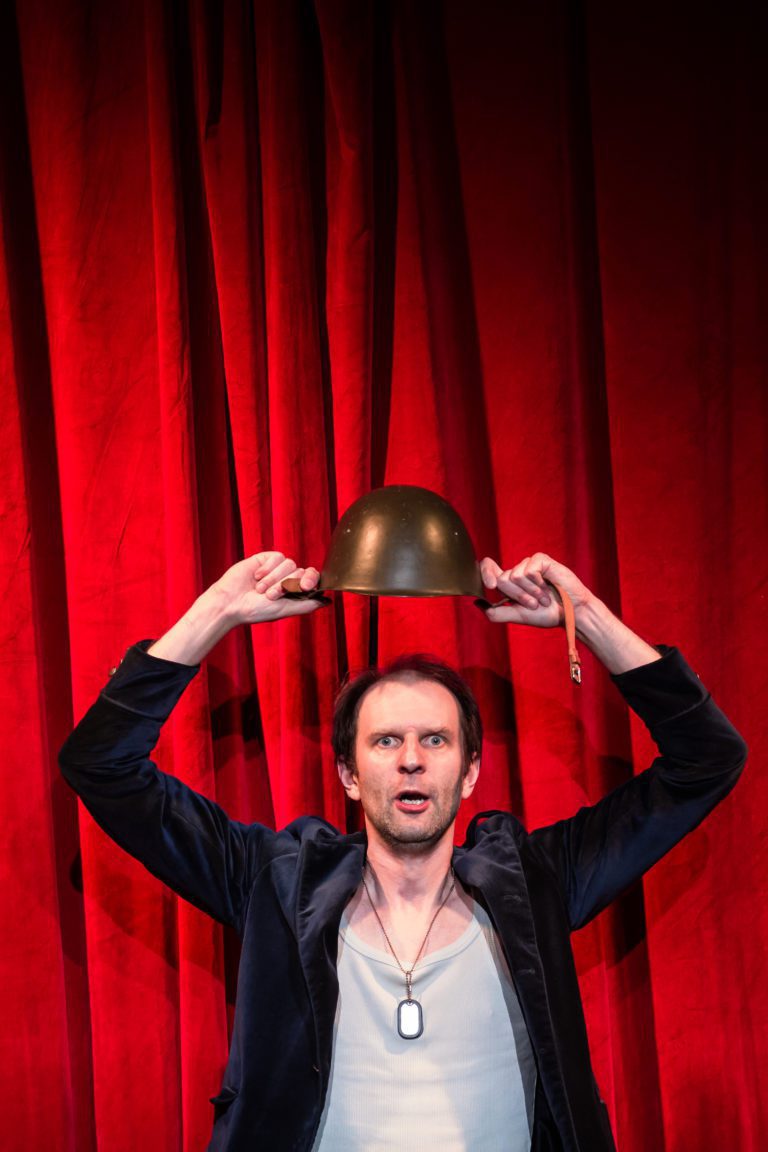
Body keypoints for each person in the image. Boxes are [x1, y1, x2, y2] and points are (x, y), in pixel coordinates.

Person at [59, 550, 746, 1152]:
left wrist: (585, 616)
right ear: (349, 774)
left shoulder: (537, 882)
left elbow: (707, 760)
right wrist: (215, 613)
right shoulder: (278, 884)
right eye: (386, 741)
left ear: (470, 772)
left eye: (435, 740)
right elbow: (102, 766)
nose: (411, 759)